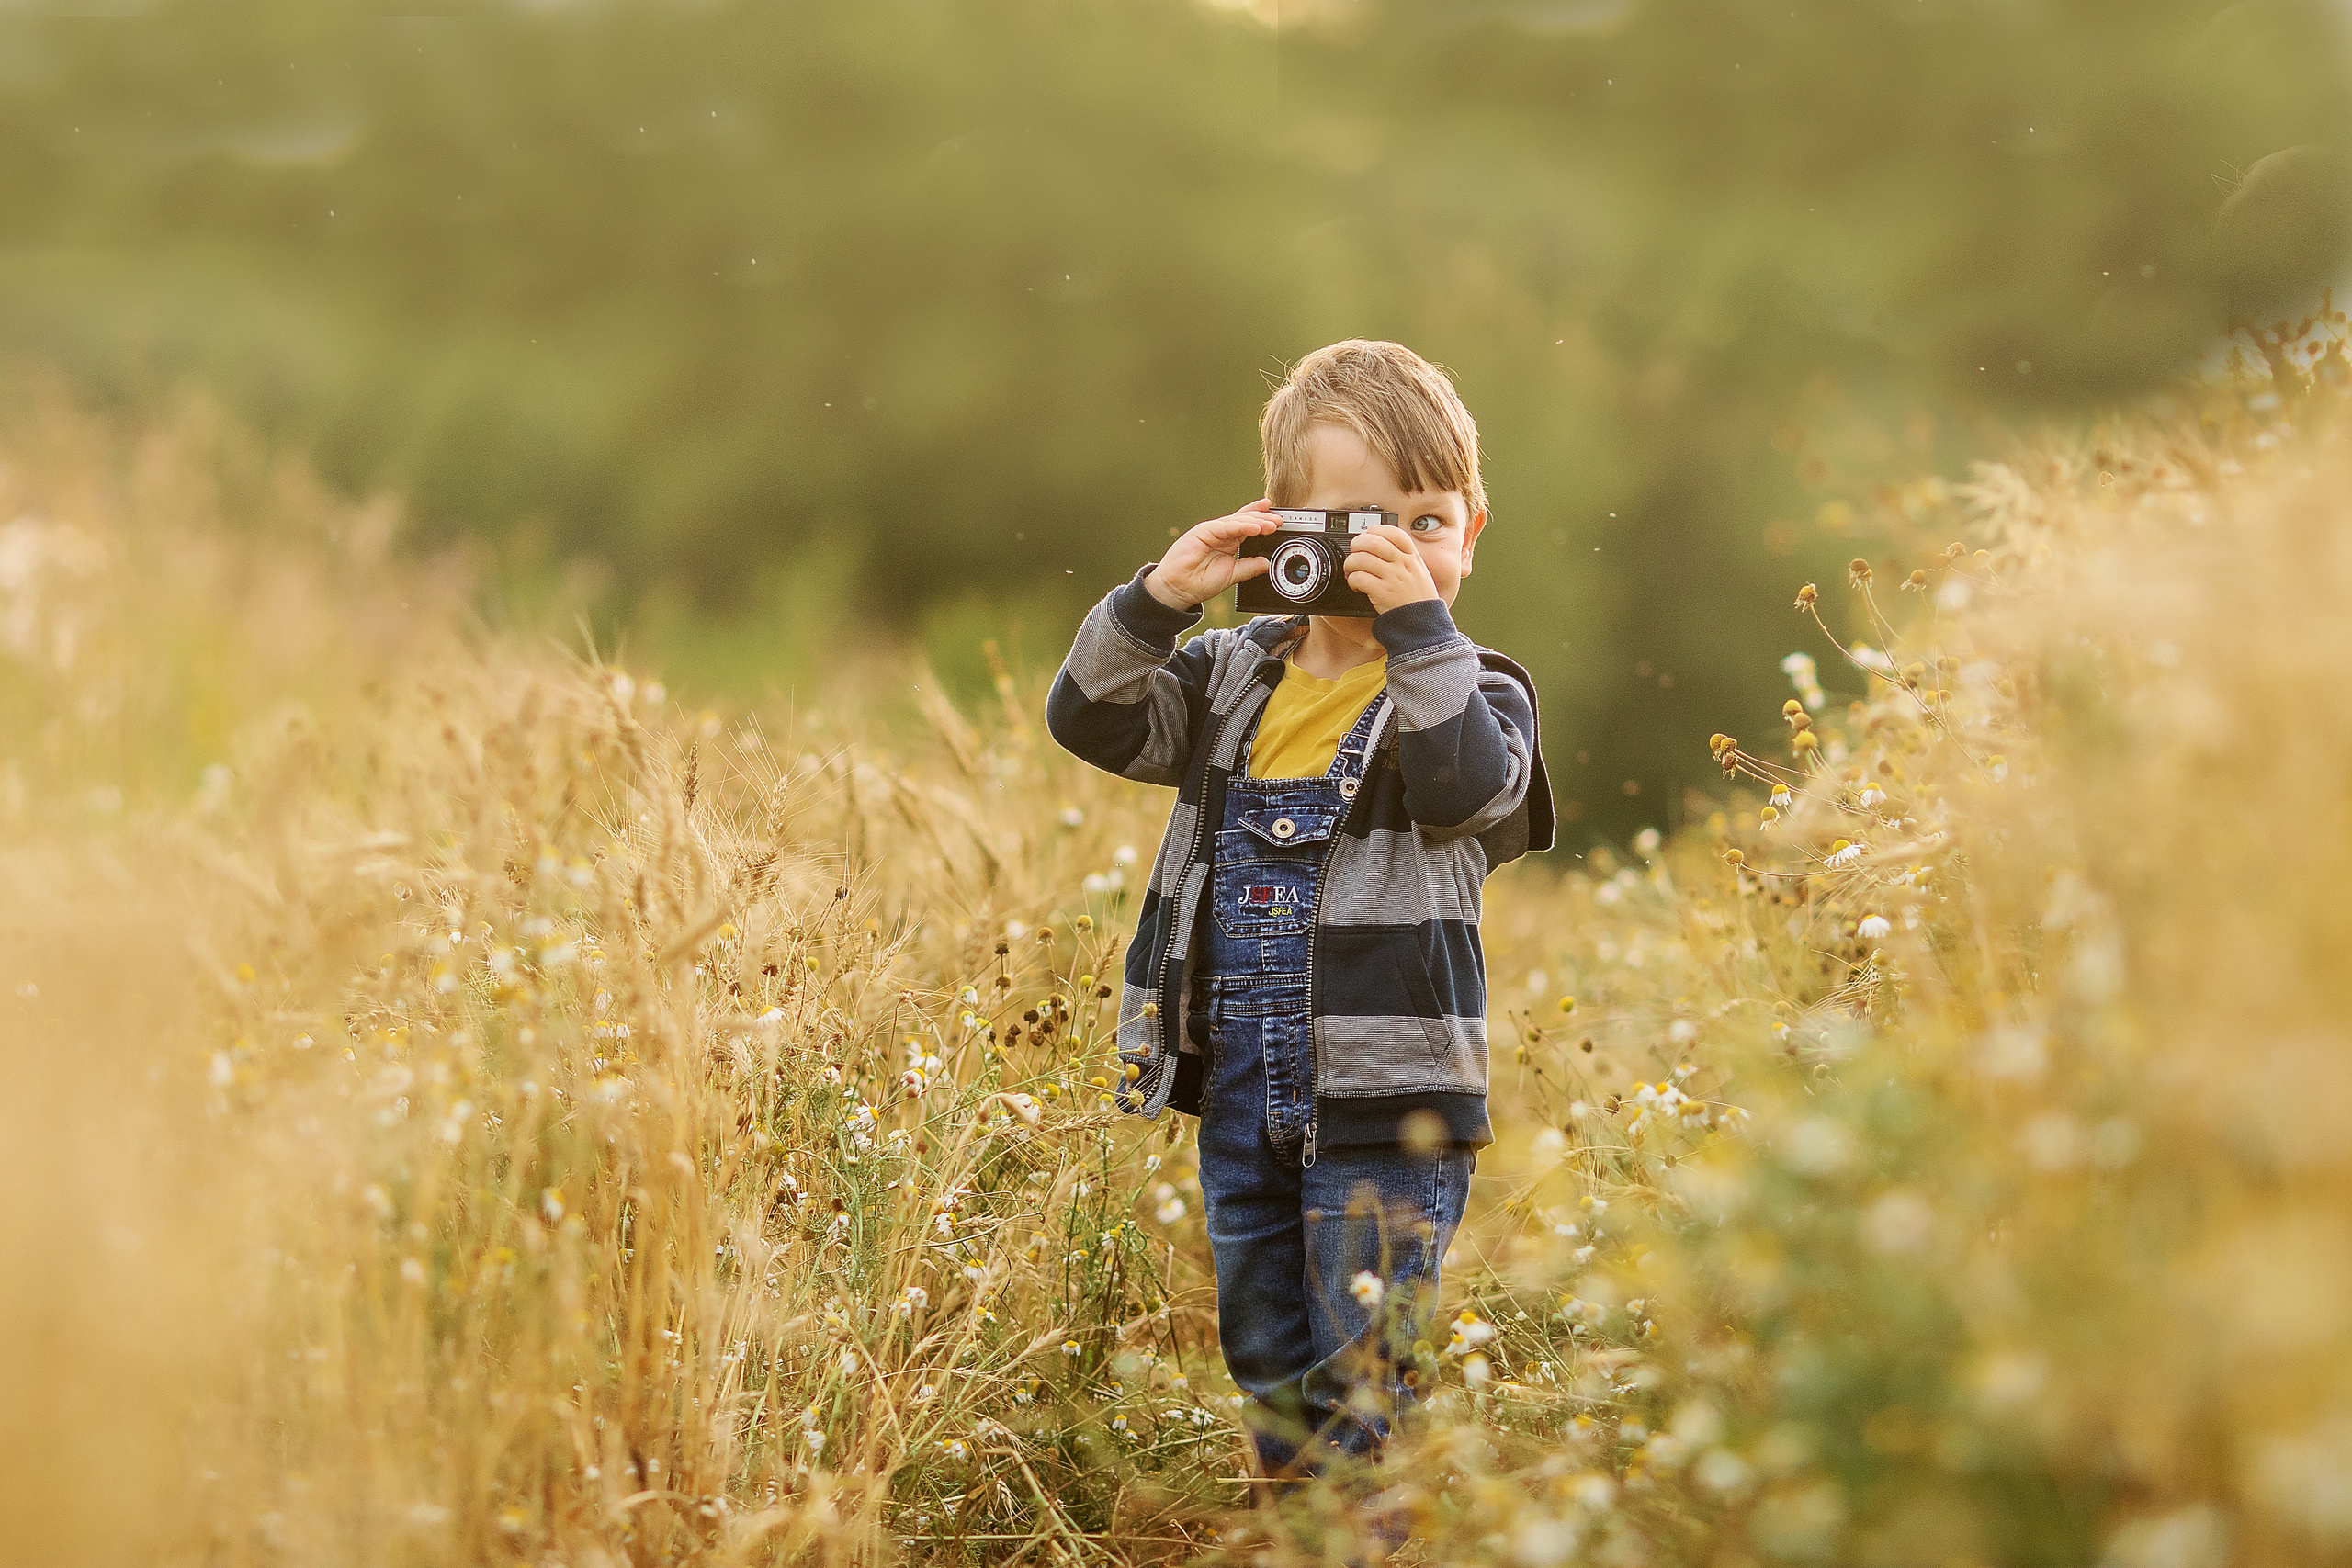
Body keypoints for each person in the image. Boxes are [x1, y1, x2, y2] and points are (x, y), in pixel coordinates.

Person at [1046, 338, 1554, 1491]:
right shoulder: (1232, 675)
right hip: (1238, 1088)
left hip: (1390, 1103)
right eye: (1362, 523)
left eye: (1428, 522)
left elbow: (1468, 789)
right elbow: (1089, 717)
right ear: (1284, 533)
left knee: (1361, 1381)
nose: (1398, 550)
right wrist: (1158, 598)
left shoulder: (1475, 691)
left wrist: (1419, 629)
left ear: (1471, 533)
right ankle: (1299, 1531)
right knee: (1271, 1365)